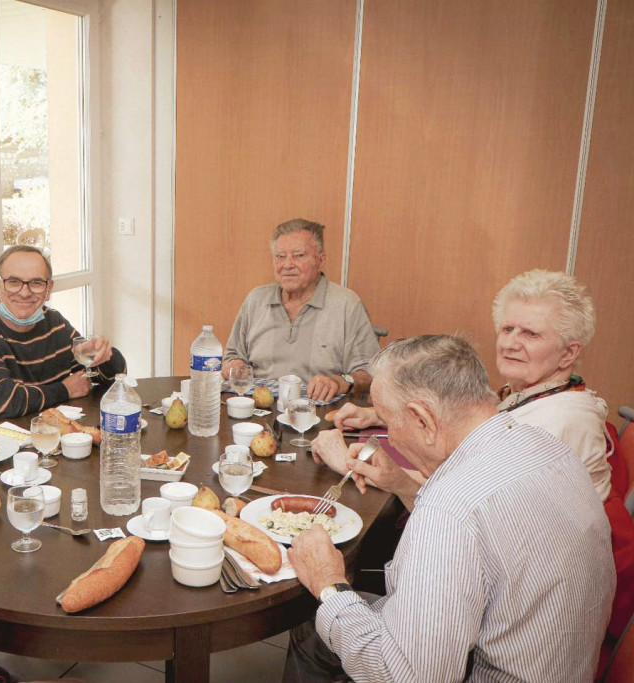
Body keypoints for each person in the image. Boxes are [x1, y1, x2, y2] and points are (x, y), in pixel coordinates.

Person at [314, 269, 634, 644]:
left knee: (323, 610)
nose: (512, 343)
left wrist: (329, 587)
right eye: (508, 329)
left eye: (531, 334)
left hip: (527, 620)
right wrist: (382, 417)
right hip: (529, 597)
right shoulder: (537, 395)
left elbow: (466, 505)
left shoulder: (555, 426)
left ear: (569, 352)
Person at [284, 335, 614, 682]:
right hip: (560, 663)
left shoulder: (450, 509)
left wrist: (329, 583)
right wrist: (400, 482)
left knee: (316, 617)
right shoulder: (547, 447)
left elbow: (404, 676)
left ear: (423, 420)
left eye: (387, 422)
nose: (389, 439)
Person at [0, 245, 126, 435]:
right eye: (13, 282)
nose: (25, 292)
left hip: (35, 440)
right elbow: (8, 402)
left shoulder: (54, 322)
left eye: (36, 283)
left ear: (49, 288)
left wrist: (105, 355)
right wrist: (65, 389)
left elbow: (115, 380)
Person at [221, 218, 380, 402]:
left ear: (320, 260)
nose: (287, 265)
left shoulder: (347, 304)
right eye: (280, 256)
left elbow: (370, 374)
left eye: (298, 255)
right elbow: (233, 355)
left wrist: (340, 382)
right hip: (258, 410)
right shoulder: (256, 300)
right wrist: (235, 365)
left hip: (320, 414)